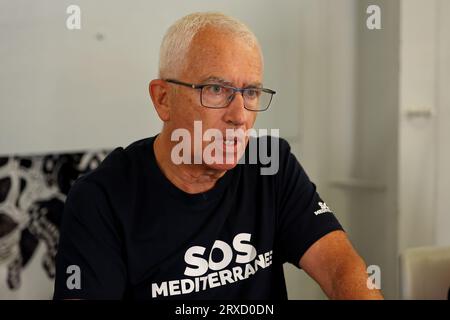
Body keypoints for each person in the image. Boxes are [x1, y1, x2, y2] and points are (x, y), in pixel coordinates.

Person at [53, 12, 383, 300]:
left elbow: (340, 267)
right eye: (216, 89)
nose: (239, 115)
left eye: (251, 92)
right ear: (163, 99)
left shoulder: (270, 164)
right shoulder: (102, 199)